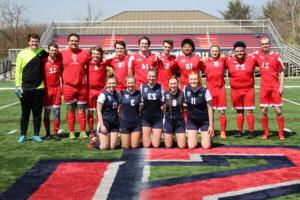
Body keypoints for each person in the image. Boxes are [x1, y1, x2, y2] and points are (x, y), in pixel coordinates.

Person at [15, 33, 48, 143]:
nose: (34, 43)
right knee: (25, 113)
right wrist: (18, 86)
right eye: (32, 41)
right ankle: (23, 135)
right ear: (28, 42)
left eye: (36, 41)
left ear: (39, 42)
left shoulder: (42, 53)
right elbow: (18, 71)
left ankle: (36, 135)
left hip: (39, 88)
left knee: (37, 113)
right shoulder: (21, 54)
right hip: (25, 89)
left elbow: (54, 57)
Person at [61, 33, 90, 139]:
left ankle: (82, 131)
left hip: (81, 86)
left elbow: (91, 64)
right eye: (72, 40)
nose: (74, 42)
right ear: (68, 42)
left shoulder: (85, 53)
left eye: (76, 41)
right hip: (68, 86)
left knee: (82, 109)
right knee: (70, 109)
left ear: (79, 42)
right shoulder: (62, 54)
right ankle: (72, 132)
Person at [225, 41, 257, 138]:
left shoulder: (252, 59)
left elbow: (264, 62)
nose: (239, 53)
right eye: (237, 51)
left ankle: (251, 131)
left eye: (241, 51)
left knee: (249, 111)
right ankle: (240, 131)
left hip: (248, 89)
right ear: (234, 52)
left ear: (245, 51)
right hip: (235, 90)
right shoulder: (228, 60)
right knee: (239, 111)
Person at [255, 37, 285, 140]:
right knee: (263, 111)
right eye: (263, 44)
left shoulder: (276, 56)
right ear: (260, 45)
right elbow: (245, 57)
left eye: (267, 43)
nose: (265, 45)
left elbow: (281, 71)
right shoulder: (257, 55)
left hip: (275, 87)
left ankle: (281, 134)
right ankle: (266, 133)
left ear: (270, 44)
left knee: (278, 111)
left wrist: (281, 86)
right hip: (264, 87)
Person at [202, 45, 227, 139]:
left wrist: (225, 56)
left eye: (216, 51)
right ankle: (211, 129)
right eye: (213, 51)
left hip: (220, 88)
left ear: (219, 52)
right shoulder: (205, 62)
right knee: (210, 110)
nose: (215, 52)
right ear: (210, 52)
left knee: (222, 112)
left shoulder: (223, 60)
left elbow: (232, 58)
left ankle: (223, 131)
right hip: (210, 89)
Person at [183, 72, 214, 149]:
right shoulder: (186, 89)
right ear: (188, 80)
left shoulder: (205, 91)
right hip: (192, 121)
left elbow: (210, 108)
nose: (193, 81)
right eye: (191, 79)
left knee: (206, 146)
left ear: (199, 80)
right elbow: (183, 103)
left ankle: (208, 139)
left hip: (204, 121)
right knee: (191, 146)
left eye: (195, 79)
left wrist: (211, 126)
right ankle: (194, 138)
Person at [87, 46, 107, 138]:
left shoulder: (104, 63)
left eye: (98, 54)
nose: (96, 55)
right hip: (90, 90)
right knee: (91, 111)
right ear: (91, 54)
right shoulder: (87, 63)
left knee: (100, 111)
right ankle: (91, 130)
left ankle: (99, 129)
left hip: (101, 90)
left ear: (101, 55)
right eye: (94, 53)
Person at [43, 42, 62, 141]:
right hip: (47, 90)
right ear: (48, 50)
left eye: (55, 50)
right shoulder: (43, 60)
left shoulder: (59, 61)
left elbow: (61, 75)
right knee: (47, 112)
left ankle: (55, 133)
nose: (53, 52)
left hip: (57, 89)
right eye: (52, 50)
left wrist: (61, 88)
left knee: (57, 112)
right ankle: (47, 133)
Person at [141, 68, 164, 148]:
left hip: (157, 118)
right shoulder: (142, 87)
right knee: (146, 145)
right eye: (150, 76)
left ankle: (154, 137)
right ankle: (148, 137)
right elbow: (140, 102)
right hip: (146, 118)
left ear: (156, 77)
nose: (151, 78)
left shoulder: (160, 87)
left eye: (153, 76)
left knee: (156, 145)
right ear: (147, 76)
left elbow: (164, 101)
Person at [119, 76, 142, 149]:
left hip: (136, 123)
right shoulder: (121, 93)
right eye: (129, 83)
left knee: (135, 146)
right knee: (126, 147)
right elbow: (118, 108)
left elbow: (142, 108)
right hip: (125, 123)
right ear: (126, 83)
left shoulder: (139, 93)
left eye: (132, 82)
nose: (131, 84)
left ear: (135, 83)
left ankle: (137, 140)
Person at [163, 76, 186, 148]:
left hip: (179, 121)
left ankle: (177, 137)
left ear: (178, 83)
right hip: (168, 121)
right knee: (168, 146)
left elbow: (187, 106)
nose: (173, 85)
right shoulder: (165, 94)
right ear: (169, 85)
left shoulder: (182, 94)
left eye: (175, 83)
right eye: (171, 84)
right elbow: (160, 107)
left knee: (182, 146)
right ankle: (171, 137)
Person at [96, 76, 119, 150]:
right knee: (104, 147)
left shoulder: (116, 94)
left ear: (116, 84)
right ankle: (95, 142)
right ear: (106, 84)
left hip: (114, 123)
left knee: (112, 147)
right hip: (105, 122)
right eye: (109, 83)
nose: (111, 85)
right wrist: (102, 125)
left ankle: (111, 140)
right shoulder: (103, 95)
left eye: (113, 83)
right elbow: (99, 111)